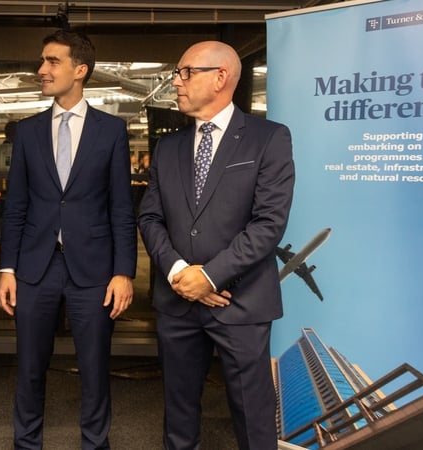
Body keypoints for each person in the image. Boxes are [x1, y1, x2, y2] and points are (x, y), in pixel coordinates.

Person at [137, 41, 294, 450]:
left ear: (220, 77)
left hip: (241, 302)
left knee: (253, 415)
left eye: (186, 72)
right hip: (177, 302)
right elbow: (150, 218)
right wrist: (179, 273)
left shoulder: (268, 138)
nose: (176, 81)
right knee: (178, 413)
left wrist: (209, 277)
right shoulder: (168, 147)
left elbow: (268, 223)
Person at [0, 29, 137, 450]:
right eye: (42, 60)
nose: (42, 69)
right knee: (29, 368)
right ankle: (26, 444)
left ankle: (95, 444)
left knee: (94, 369)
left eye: (52, 61)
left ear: (80, 70)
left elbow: (121, 208)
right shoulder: (27, 131)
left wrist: (124, 272)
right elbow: (16, 206)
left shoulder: (112, 131)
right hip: (34, 268)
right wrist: (7, 268)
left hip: (94, 270)